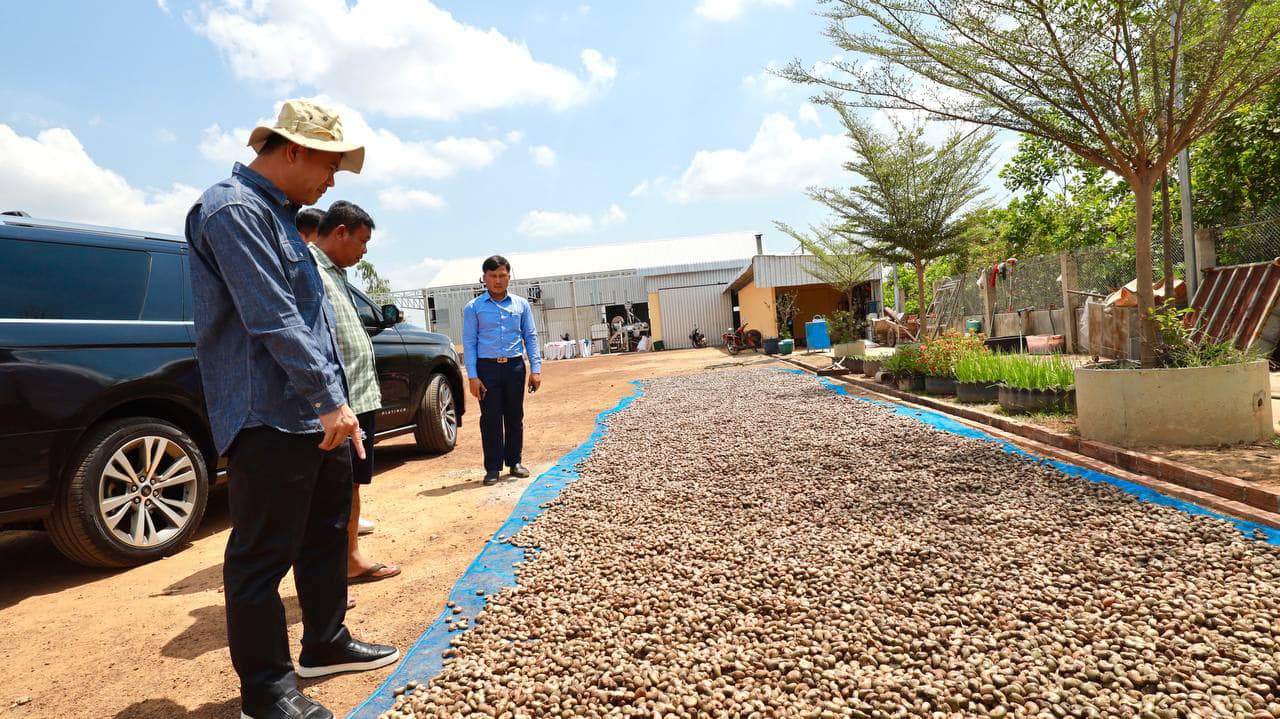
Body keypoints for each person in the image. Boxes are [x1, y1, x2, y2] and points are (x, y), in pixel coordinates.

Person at [185, 99, 397, 719]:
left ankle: (325, 641)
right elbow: (272, 317)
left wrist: (337, 402)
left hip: (314, 410)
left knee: (325, 530)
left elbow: (312, 320)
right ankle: (266, 690)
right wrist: (329, 399)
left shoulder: (280, 216)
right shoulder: (232, 209)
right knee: (262, 553)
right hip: (268, 412)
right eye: (329, 165)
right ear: (295, 149)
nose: (331, 181)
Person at [309, 201, 400, 585]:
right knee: (329, 493)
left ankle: (350, 559)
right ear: (340, 232)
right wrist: (329, 399)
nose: (364, 251)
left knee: (350, 484)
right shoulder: (310, 270)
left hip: (357, 400)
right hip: (337, 403)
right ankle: (327, 577)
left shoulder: (336, 274)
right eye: (362, 241)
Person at [462, 256, 542, 486]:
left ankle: (515, 462)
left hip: (514, 367)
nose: (497, 280)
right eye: (493, 276)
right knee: (490, 419)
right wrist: (473, 376)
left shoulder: (521, 305)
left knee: (515, 416)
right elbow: (469, 342)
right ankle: (492, 468)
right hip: (486, 369)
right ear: (484, 278)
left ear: (509, 277)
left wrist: (535, 369)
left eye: (502, 275)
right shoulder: (474, 308)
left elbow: (530, 336)